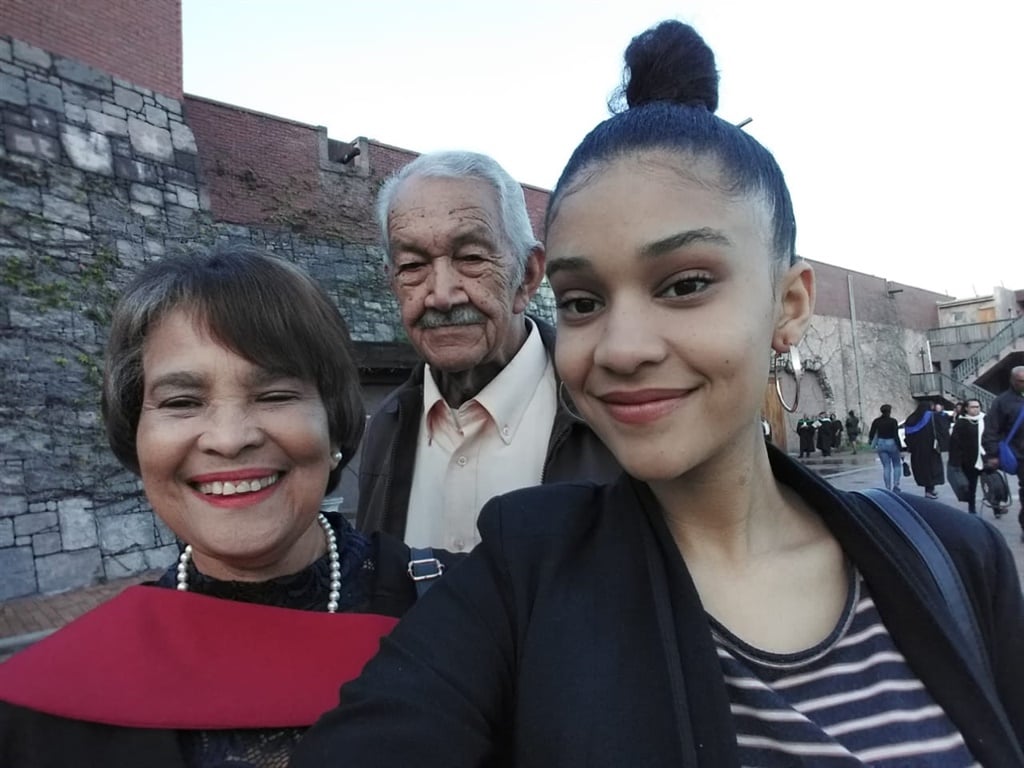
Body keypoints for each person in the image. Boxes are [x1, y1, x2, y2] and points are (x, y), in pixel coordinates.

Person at [293, 21, 1024, 767]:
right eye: (582, 302)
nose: (622, 347)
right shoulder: (522, 566)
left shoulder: (958, 563)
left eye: (685, 285)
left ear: (790, 303)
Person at [0, 246, 458, 767]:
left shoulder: (460, 619)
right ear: (137, 437)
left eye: (275, 394)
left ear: (332, 421)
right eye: (182, 402)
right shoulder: (39, 714)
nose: (229, 439)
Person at [356, 150, 619, 551]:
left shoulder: (609, 416)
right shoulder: (384, 428)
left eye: (472, 258)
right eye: (412, 266)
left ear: (528, 276)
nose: (441, 296)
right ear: (392, 283)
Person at [982, 365, 1024, 537]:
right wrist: (992, 454)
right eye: (1021, 381)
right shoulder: (1002, 402)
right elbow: (991, 430)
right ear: (1012, 381)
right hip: (1020, 455)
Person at [903, 399, 945, 499]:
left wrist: (911, 447)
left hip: (917, 450)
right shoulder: (933, 416)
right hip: (931, 449)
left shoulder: (911, 418)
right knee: (932, 469)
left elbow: (907, 435)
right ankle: (929, 490)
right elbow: (941, 429)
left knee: (923, 470)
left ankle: (929, 490)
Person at [949, 399, 985, 514]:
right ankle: (972, 507)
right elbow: (955, 443)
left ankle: (996, 506)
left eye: (978, 406)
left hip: (985, 457)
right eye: (973, 407)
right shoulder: (961, 423)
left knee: (994, 483)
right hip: (969, 460)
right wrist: (956, 460)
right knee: (972, 485)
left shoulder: (985, 420)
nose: (976, 409)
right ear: (966, 408)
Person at [868, 404, 903, 492]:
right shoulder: (893, 421)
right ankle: (896, 485)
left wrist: (871, 442)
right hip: (891, 442)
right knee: (896, 465)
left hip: (881, 443)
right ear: (890, 411)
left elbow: (871, 433)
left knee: (886, 466)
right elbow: (896, 435)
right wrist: (900, 448)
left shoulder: (876, 421)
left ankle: (887, 487)